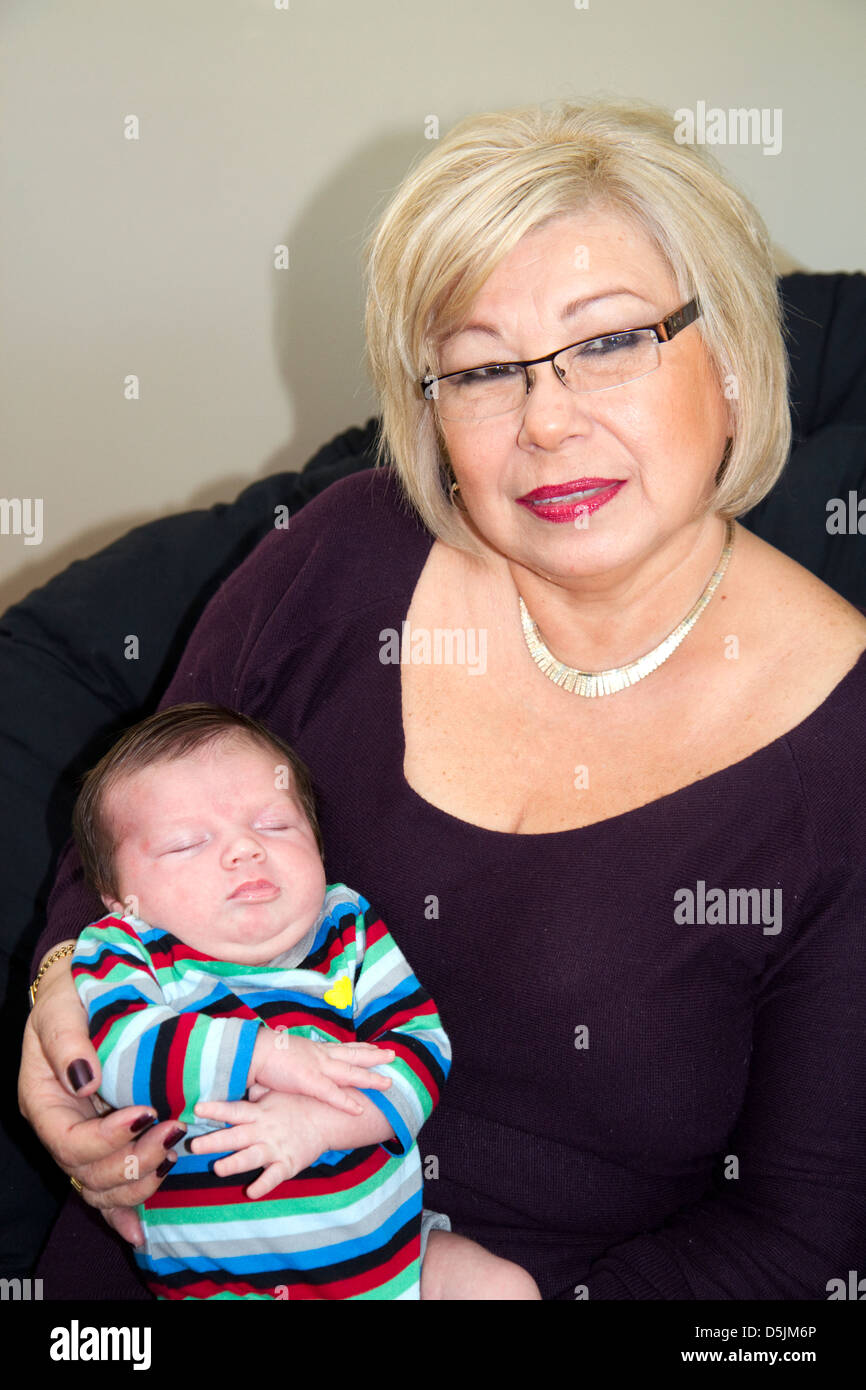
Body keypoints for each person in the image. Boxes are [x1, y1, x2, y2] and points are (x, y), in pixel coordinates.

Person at [19, 98, 866, 1300]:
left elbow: (801, 1231)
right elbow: (133, 827)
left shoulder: (842, 758)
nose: (546, 420)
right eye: (479, 369)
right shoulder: (337, 557)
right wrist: (58, 1001)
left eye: (610, 341)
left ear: (728, 356)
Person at [67, 701, 537, 1300]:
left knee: (502, 1287)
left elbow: (420, 1051)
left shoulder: (347, 928)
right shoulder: (124, 950)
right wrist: (264, 1056)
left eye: (273, 825)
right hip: (226, 1286)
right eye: (186, 844)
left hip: (398, 1269)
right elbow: (119, 1055)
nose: (244, 850)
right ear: (117, 896)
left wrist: (321, 1121)